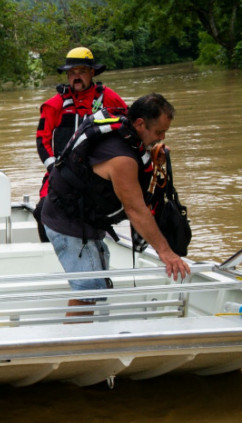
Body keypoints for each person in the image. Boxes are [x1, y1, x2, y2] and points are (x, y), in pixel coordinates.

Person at [40, 93, 191, 317]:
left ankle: (87, 337)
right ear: (140, 123)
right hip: (69, 224)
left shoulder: (124, 127)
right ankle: (75, 347)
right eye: (159, 132)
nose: (162, 138)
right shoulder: (122, 159)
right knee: (88, 292)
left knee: (95, 286)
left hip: (77, 215)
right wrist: (166, 252)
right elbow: (135, 209)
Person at [34, 47, 127, 241]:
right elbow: (42, 140)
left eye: (81, 72)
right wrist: (53, 169)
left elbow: (131, 127)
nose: (76, 77)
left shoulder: (109, 98)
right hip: (61, 170)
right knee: (42, 211)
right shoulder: (54, 104)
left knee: (100, 212)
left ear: (92, 73)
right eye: (72, 73)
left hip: (98, 171)